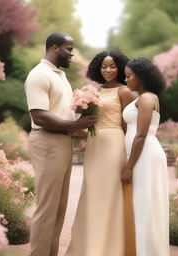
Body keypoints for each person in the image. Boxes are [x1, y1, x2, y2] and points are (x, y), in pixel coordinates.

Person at [24, 31, 97, 256]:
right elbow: (40, 116)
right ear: (55, 48)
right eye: (69, 49)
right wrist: (76, 125)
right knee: (47, 209)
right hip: (47, 142)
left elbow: (64, 115)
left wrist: (94, 132)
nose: (72, 54)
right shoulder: (38, 75)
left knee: (58, 209)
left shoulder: (60, 76)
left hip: (63, 142)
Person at [65, 50, 137, 256]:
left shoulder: (124, 91)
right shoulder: (96, 91)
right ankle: (89, 247)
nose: (107, 70)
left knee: (110, 194)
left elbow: (128, 126)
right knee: (92, 194)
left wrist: (130, 158)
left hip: (114, 145)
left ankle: (110, 249)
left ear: (121, 68)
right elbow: (86, 125)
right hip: (94, 145)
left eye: (112, 66)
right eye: (104, 66)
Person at [122, 57, 169, 256]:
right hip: (141, 155)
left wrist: (129, 166)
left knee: (146, 205)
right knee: (143, 205)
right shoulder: (141, 97)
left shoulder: (147, 98)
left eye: (128, 76)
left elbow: (140, 135)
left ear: (140, 76)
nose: (126, 80)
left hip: (145, 156)